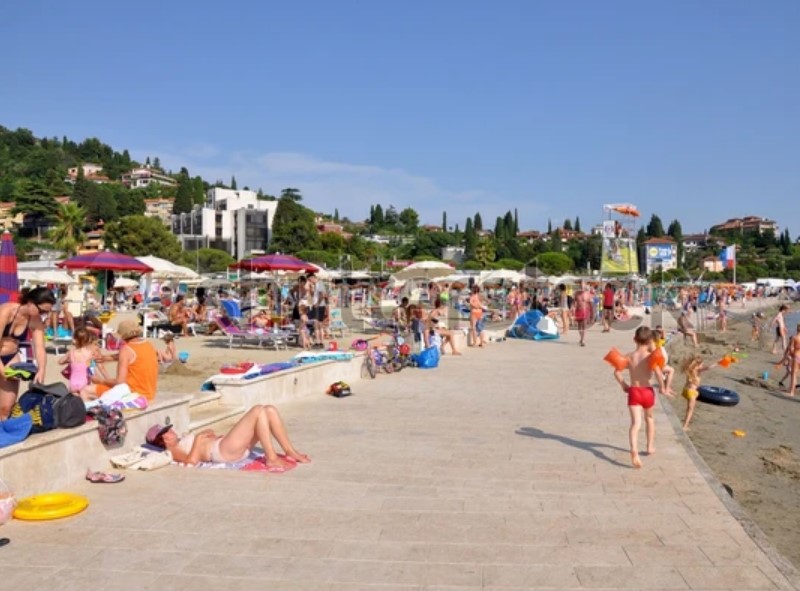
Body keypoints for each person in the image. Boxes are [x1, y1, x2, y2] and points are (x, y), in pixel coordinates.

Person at [147, 404, 310, 472]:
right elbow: (191, 462)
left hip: (224, 445)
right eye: (167, 432)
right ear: (163, 440)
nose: (172, 431)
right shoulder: (172, 450)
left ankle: (290, 451)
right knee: (258, 410)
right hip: (221, 452)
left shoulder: (180, 440)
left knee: (269, 410)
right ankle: (271, 457)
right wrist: (198, 439)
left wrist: (206, 435)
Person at [612, 326, 672, 468]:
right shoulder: (651, 356)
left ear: (634, 339)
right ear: (650, 340)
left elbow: (616, 372)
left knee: (635, 424)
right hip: (647, 391)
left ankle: (634, 450)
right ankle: (650, 447)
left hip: (634, 391)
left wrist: (623, 385)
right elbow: (658, 372)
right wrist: (663, 388)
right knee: (649, 419)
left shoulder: (629, 356)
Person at [0, 287, 55, 418]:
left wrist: (41, 370)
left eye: (46, 313)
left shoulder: (35, 320)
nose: (43, 316)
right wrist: (1, 370)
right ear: (30, 302)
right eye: (42, 311)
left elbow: (40, 347)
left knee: (6, 408)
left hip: (11, 357)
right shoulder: (6, 311)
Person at [80, 320, 159, 403]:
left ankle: (90, 414)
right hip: (149, 393)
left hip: (132, 394)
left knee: (86, 391)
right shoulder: (148, 345)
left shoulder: (126, 350)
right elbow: (130, 356)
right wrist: (106, 357)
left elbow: (120, 381)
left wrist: (100, 380)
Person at [58, 327, 102, 394]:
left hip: (72, 383)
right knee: (84, 402)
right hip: (84, 383)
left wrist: (69, 361)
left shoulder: (71, 352)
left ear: (74, 340)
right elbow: (93, 369)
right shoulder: (89, 353)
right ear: (88, 340)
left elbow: (60, 362)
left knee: (74, 402)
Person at [680, 355, 713, 431]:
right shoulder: (697, 370)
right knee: (690, 410)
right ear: (698, 365)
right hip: (692, 392)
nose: (702, 366)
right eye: (701, 364)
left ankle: (685, 423)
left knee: (688, 408)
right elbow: (708, 367)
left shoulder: (690, 369)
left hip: (685, 391)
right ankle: (685, 426)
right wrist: (718, 362)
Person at [783, 324, 800, 396]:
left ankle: (792, 392)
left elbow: (791, 349)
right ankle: (791, 390)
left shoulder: (794, 337)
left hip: (796, 357)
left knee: (794, 375)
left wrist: (790, 355)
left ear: (797, 329)